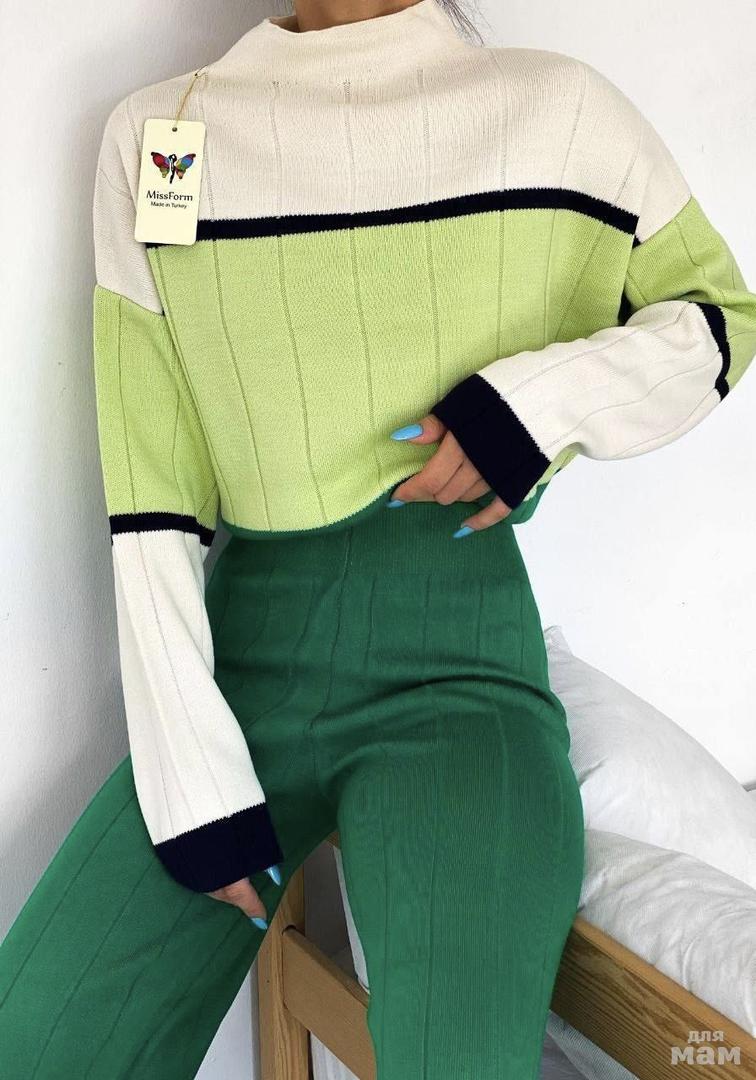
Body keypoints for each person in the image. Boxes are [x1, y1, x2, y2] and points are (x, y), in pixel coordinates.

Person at [1, 1, 755, 1076]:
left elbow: (717, 317)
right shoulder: (167, 136)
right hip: (238, 678)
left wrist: (531, 410)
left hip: (462, 673)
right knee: (39, 1041)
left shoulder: (559, 112)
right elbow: (150, 491)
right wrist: (189, 778)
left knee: (457, 1060)